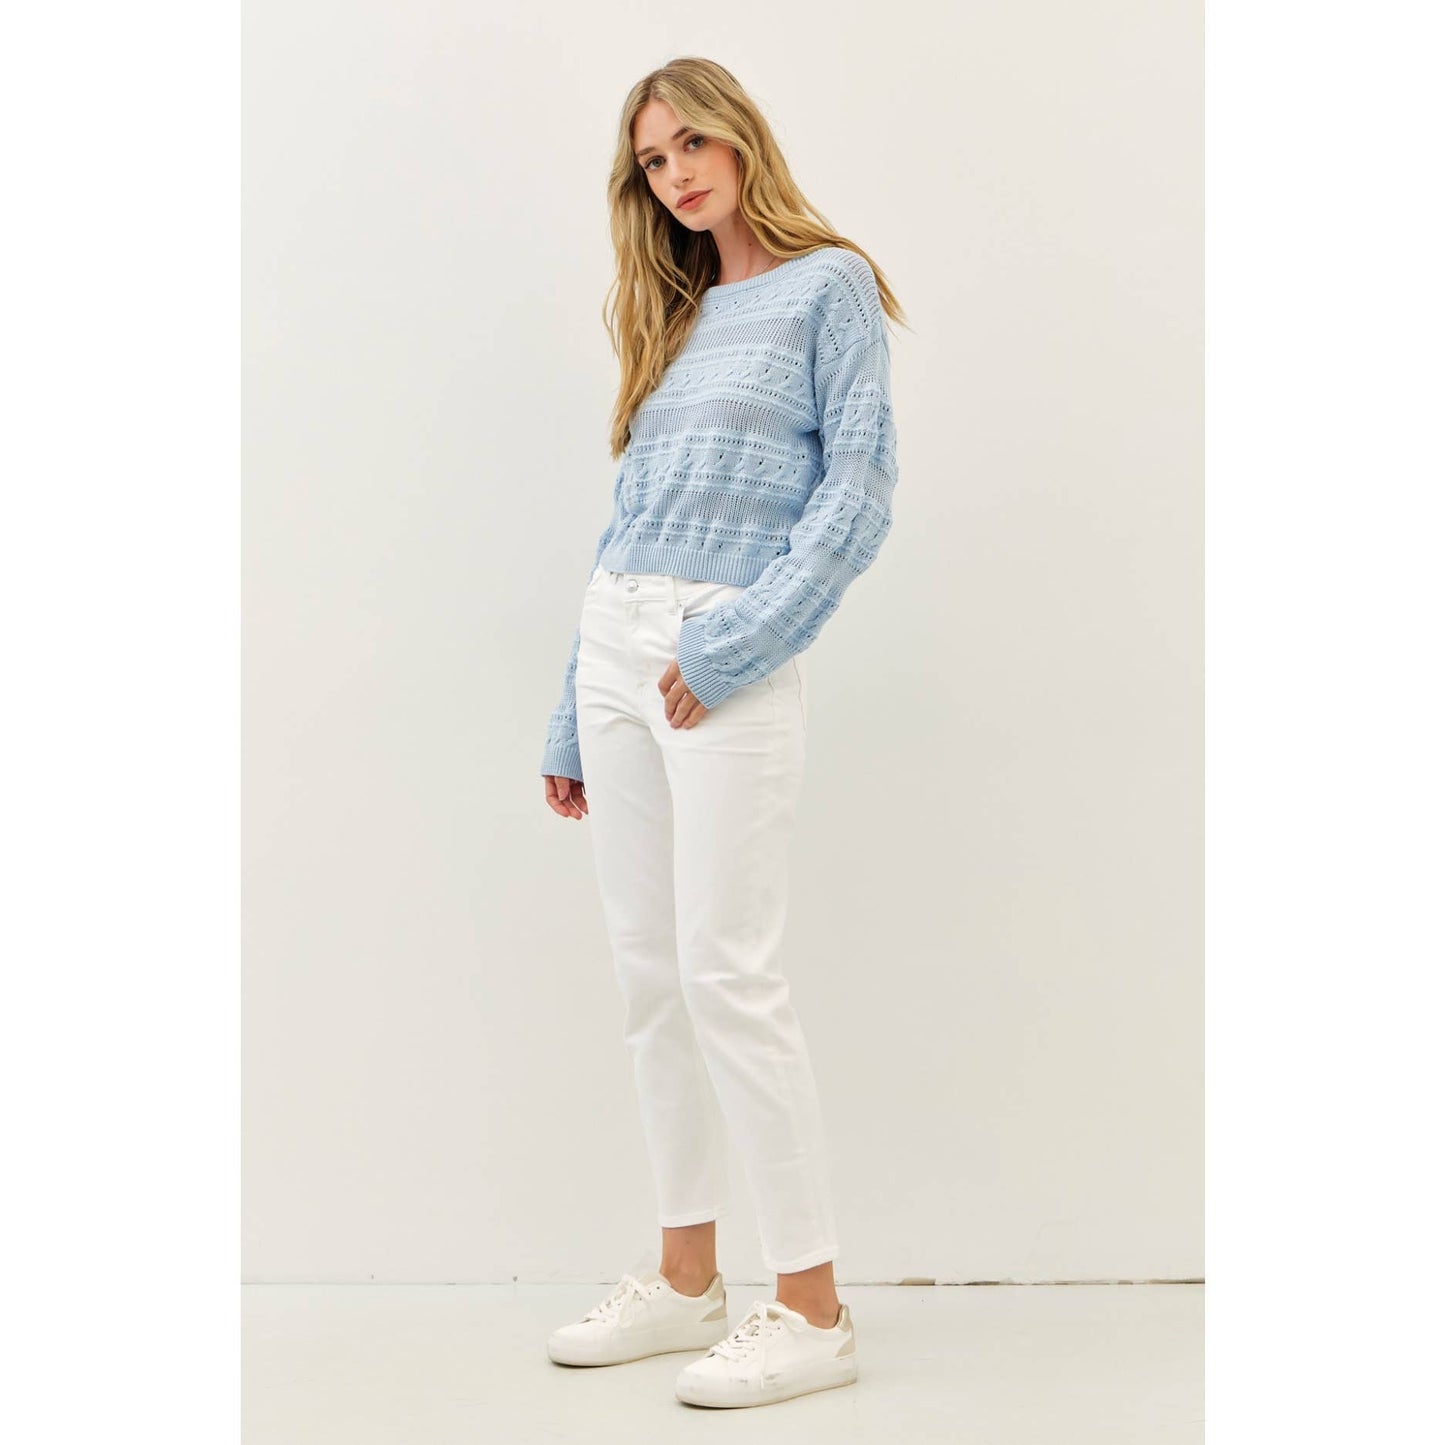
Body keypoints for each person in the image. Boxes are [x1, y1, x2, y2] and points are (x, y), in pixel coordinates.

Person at [540, 56, 902, 1409]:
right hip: (618, 649)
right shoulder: (677, 316)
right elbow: (628, 525)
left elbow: (859, 492)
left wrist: (732, 645)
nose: (677, 173)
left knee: (727, 973)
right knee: (650, 977)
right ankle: (686, 1278)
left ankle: (810, 1307)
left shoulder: (829, 287)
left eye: (692, 143)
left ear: (741, 138)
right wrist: (572, 707)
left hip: (717, 654)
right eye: (653, 160)